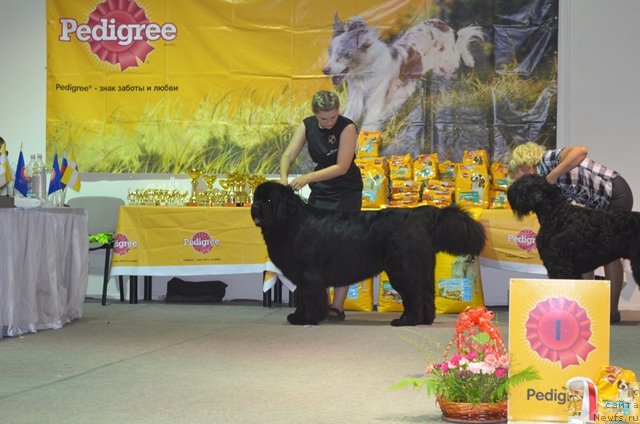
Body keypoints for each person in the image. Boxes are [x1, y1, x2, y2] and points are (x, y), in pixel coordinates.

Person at [508, 141, 634, 323]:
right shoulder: (540, 185)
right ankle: (586, 306)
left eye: (518, 174)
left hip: (613, 192)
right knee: (584, 251)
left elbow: (580, 151)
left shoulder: (548, 160)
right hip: (595, 203)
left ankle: (612, 312)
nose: (518, 179)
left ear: (524, 166)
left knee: (611, 253)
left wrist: (550, 178)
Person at [280, 90, 363, 323]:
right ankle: (321, 303)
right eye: (323, 119)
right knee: (316, 249)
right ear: (314, 114)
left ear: (338, 112)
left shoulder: (348, 127)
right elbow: (288, 154)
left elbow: (342, 167)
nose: (328, 123)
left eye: (332, 117)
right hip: (321, 191)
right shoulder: (307, 125)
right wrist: (283, 178)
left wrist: (306, 178)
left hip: (345, 192)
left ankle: (337, 307)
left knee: (341, 249)